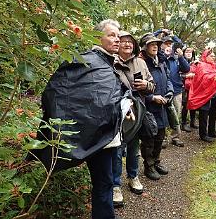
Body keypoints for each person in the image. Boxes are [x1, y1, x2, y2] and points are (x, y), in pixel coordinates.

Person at [32, 19, 136, 219]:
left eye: (118, 35)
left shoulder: (107, 62)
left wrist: (126, 103)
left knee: (104, 182)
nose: (117, 39)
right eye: (111, 35)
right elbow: (60, 92)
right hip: (98, 136)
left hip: (108, 134)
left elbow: (110, 95)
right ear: (98, 37)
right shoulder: (88, 61)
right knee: (104, 183)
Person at [112, 31, 155, 207]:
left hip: (137, 111)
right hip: (118, 113)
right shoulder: (111, 63)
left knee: (134, 147)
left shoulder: (141, 63)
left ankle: (133, 176)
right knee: (116, 149)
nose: (127, 44)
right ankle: (115, 185)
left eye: (130, 42)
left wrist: (146, 85)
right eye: (123, 42)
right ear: (117, 44)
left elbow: (152, 85)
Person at [139, 33, 174, 180]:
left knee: (160, 136)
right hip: (149, 107)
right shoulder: (141, 63)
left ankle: (156, 161)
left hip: (162, 106)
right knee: (149, 138)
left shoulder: (160, 61)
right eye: (151, 44)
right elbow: (136, 87)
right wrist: (152, 97)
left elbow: (168, 78)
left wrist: (170, 91)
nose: (155, 46)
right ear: (144, 47)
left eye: (156, 44)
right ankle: (149, 166)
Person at [187, 49, 216, 142]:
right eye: (211, 56)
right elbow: (204, 78)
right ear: (205, 56)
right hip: (204, 93)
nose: (213, 58)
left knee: (213, 113)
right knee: (204, 113)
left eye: (214, 56)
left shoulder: (214, 66)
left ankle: (212, 131)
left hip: (214, 92)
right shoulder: (202, 65)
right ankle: (203, 134)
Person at [160, 36, 190, 146]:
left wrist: (181, 56)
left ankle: (175, 137)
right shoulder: (159, 58)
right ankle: (163, 138)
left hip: (176, 91)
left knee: (176, 114)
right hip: (163, 92)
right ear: (161, 45)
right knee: (162, 115)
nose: (168, 46)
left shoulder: (176, 59)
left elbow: (187, 69)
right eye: (166, 43)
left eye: (170, 44)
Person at [181, 47, 198, 132]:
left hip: (193, 87)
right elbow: (176, 76)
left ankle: (192, 122)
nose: (188, 53)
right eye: (187, 51)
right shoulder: (180, 62)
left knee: (193, 103)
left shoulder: (195, 63)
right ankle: (183, 123)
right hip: (183, 87)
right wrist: (186, 76)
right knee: (185, 105)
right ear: (183, 53)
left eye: (190, 52)